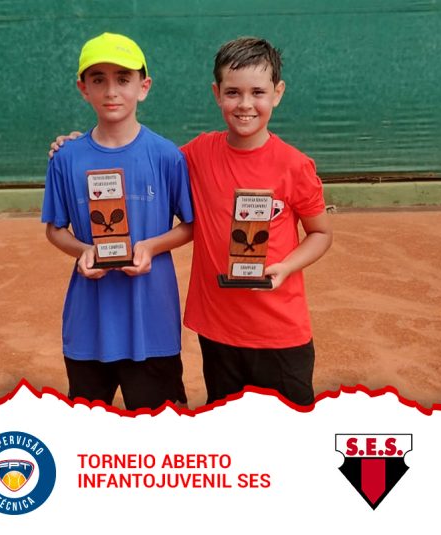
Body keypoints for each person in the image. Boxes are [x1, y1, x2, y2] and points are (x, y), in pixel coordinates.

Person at [50, 36, 332, 407]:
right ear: (217, 94)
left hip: (281, 331)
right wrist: (74, 146)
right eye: (233, 93)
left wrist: (285, 267)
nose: (245, 104)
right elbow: (136, 157)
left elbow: (320, 233)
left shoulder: (294, 165)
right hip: (217, 332)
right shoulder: (196, 154)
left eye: (258, 93)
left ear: (277, 93)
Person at [42, 32, 194, 411]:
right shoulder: (66, 158)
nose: (111, 91)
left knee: (160, 432)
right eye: (99, 80)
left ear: (144, 87)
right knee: (88, 432)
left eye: (123, 79)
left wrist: (150, 247)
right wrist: (84, 251)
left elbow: (190, 225)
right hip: (89, 328)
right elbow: (55, 230)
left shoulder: (167, 156)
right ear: (83, 89)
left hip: (153, 325)